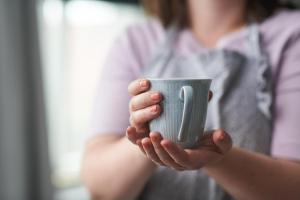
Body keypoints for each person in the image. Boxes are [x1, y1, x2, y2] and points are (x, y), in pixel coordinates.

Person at [81, 0, 300, 199]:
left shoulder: (291, 34)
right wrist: (149, 141)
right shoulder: (135, 41)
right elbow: (100, 188)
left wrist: (221, 160)